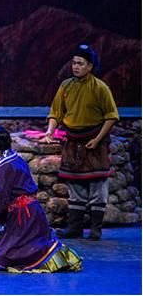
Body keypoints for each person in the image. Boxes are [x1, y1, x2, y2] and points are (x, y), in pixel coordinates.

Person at [0, 122, 83, 272]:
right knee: (17, 250)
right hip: (30, 212)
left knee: (10, 256)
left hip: (24, 216)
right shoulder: (14, 158)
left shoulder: (5, 166)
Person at [40, 45, 119, 240]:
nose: (76, 67)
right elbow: (55, 112)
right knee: (75, 187)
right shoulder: (66, 86)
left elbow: (111, 116)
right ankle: (74, 228)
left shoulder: (100, 88)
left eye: (80, 63)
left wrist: (97, 140)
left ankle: (95, 229)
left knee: (97, 186)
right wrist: (50, 131)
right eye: (74, 63)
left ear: (90, 66)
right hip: (73, 141)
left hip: (94, 141)